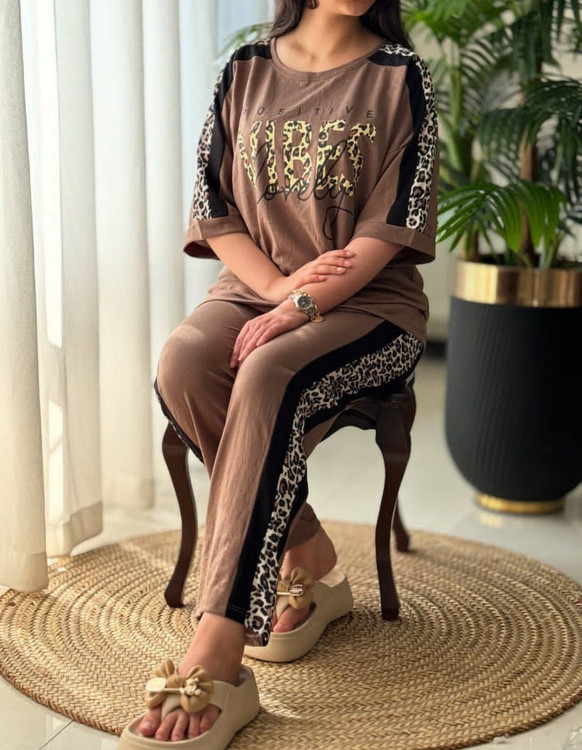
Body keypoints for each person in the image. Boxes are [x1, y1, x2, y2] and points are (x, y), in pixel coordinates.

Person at [118, 0, 438, 747]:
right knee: (185, 363)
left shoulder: (400, 76)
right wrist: (277, 291)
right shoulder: (245, 69)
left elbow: (390, 226)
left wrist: (303, 303)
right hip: (254, 290)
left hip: (373, 306)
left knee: (267, 373)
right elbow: (215, 206)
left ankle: (219, 645)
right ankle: (309, 550)